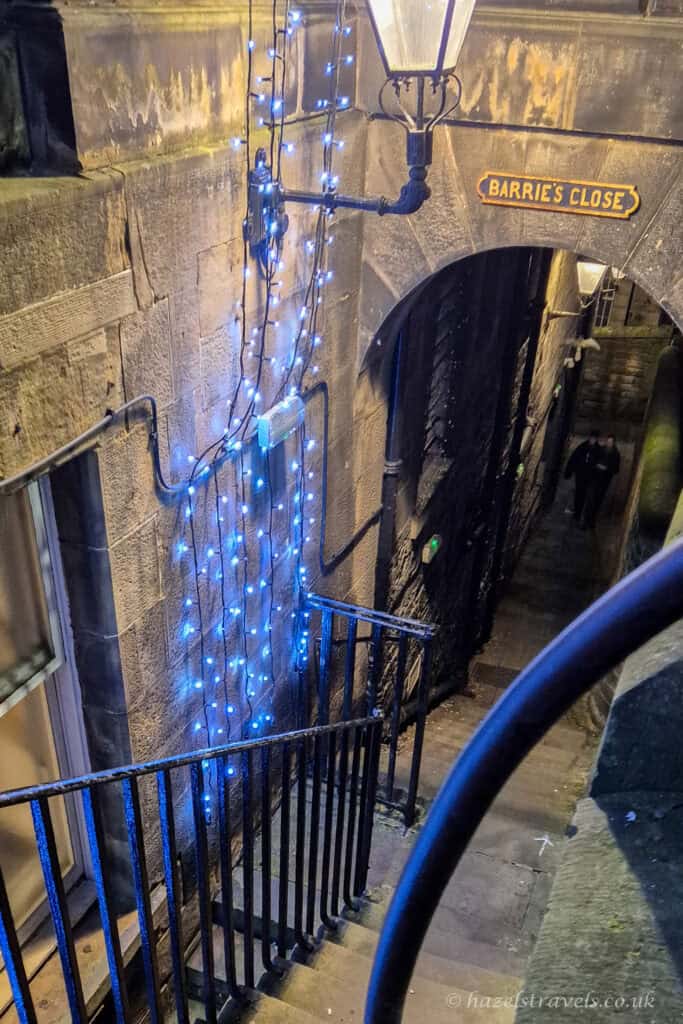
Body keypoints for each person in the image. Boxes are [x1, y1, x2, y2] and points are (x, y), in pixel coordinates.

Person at [584, 434, 621, 527]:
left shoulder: (616, 454)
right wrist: (596, 465)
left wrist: (607, 468)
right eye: (608, 442)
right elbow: (592, 461)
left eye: (611, 442)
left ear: (613, 443)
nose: (609, 444)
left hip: (604, 482)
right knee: (590, 500)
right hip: (594, 479)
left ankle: (591, 522)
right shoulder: (600, 450)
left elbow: (616, 469)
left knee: (597, 502)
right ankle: (585, 521)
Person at [564, 431, 601, 524]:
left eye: (594, 439)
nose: (592, 440)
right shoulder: (582, 447)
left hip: (590, 477)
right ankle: (577, 512)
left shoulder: (598, 450)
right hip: (580, 475)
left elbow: (599, 463)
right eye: (592, 438)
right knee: (579, 493)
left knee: (586, 496)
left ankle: (582, 514)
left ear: (596, 439)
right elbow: (574, 458)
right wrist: (569, 471)